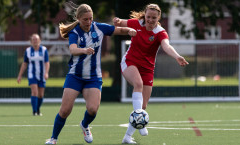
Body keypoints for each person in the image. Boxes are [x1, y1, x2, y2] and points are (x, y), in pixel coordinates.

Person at [45, 3, 136, 144]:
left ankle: (85, 125)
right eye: (85, 19)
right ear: (78, 18)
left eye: (90, 19)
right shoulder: (74, 32)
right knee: (64, 111)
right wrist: (84, 50)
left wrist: (129, 30)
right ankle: (53, 139)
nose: (88, 22)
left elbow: (118, 30)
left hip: (93, 78)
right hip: (75, 76)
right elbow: (73, 49)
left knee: (93, 109)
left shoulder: (99, 27)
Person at [113, 3, 189, 144]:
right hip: (130, 62)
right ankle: (140, 117)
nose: (150, 20)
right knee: (138, 84)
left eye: (154, 18)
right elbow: (121, 22)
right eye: (148, 17)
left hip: (147, 69)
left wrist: (177, 56)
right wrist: (117, 21)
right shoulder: (136, 23)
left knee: (143, 105)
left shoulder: (160, 32)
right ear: (145, 15)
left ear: (158, 17)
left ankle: (127, 137)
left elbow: (166, 46)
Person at [17, 33, 50, 116]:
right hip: (32, 74)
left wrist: (46, 73)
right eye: (33, 40)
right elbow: (24, 63)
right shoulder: (28, 51)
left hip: (41, 75)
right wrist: (20, 75)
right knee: (34, 92)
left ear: (40, 40)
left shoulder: (44, 50)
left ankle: (38, 109)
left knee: (41, 94)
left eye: (36, 39)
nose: (35, 41)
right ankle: (34, 111)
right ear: (31, 41)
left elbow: (47, 62)